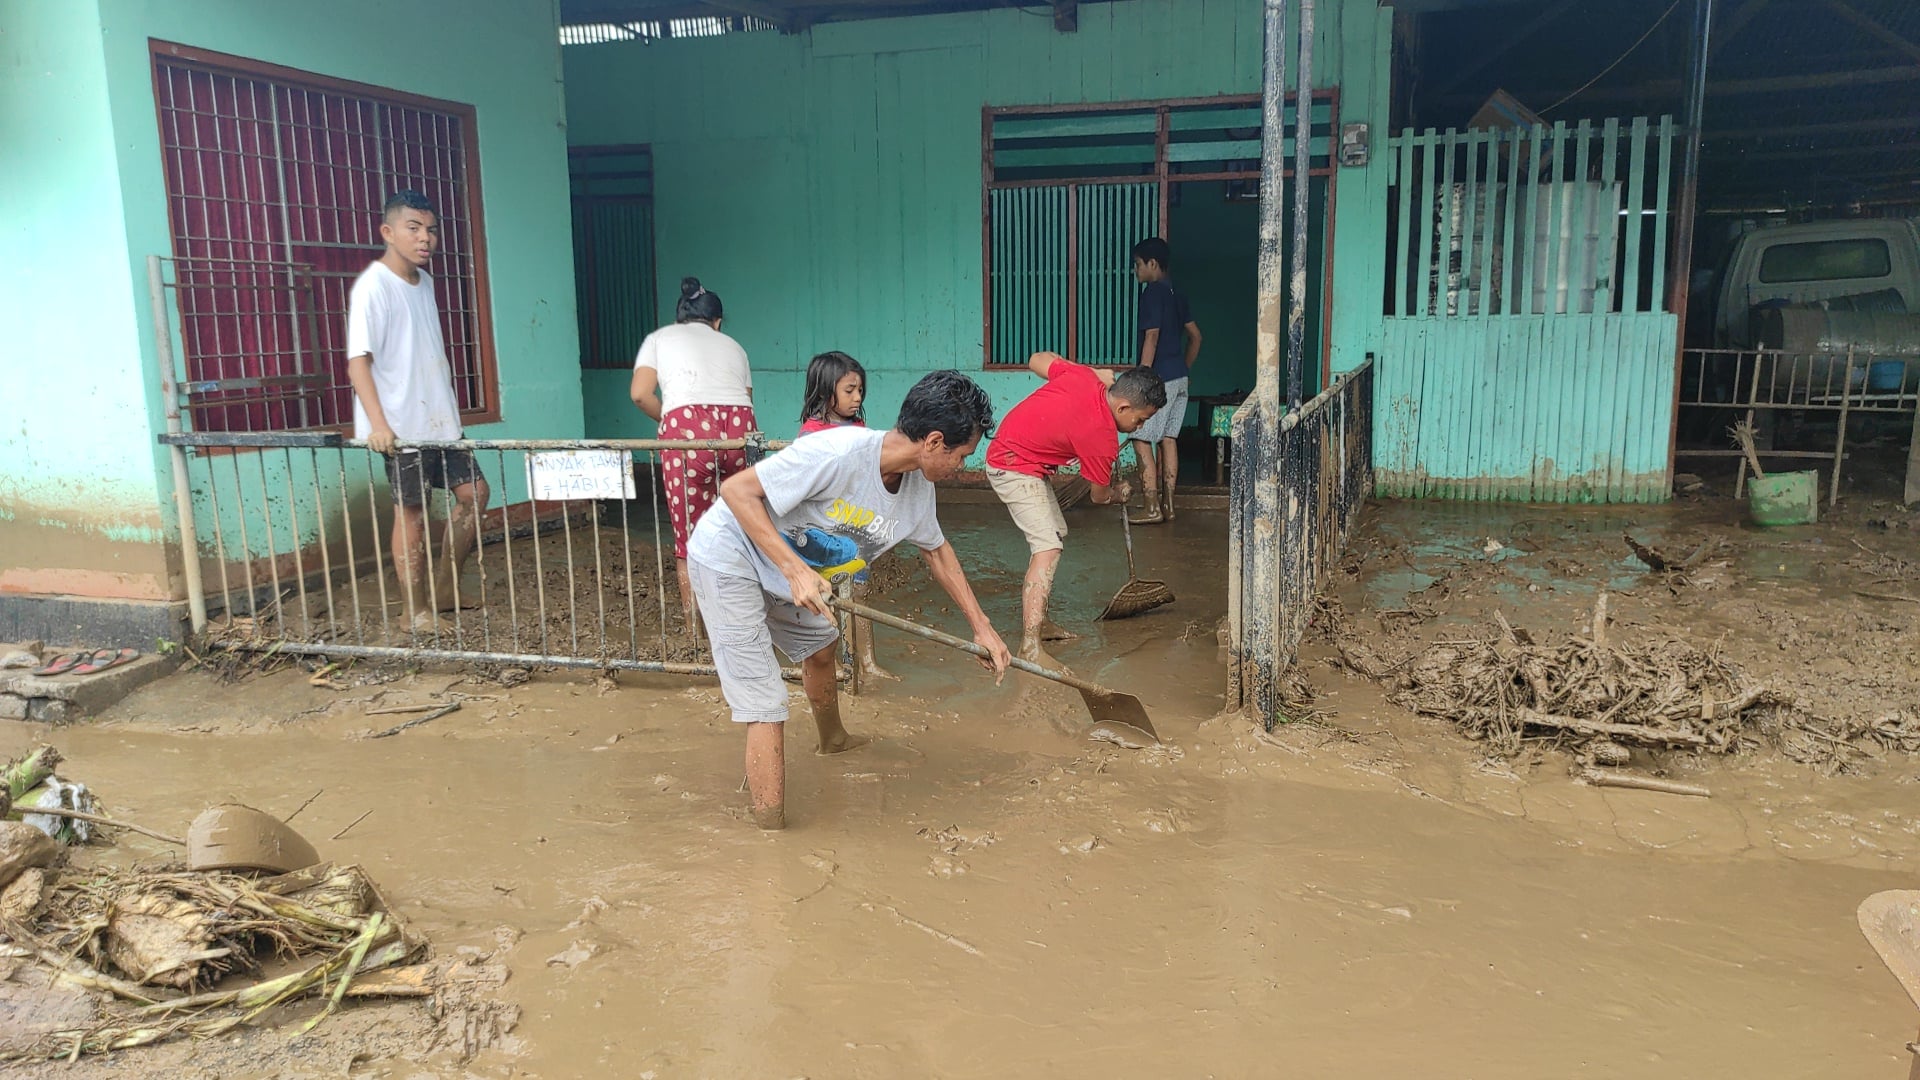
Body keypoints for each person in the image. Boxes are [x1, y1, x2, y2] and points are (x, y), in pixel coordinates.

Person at [688, 370, 1013, 830]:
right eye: (963, 455)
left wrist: (982, 627)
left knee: (822, 642)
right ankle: (770, 832)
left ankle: (833, 740)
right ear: (935, 441)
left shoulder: (918, 488)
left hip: (784, 571)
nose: (962, 464)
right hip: (731, 557)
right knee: (765, 702)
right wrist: (795, 569)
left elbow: (937, 551)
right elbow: (736, 490)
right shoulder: (837, 453)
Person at [346, 190, 490, 634]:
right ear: (388, 232)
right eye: (413, 228)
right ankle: (414, 610)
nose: (425, 238)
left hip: (440, 421)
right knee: (411, 512)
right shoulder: (374, 285)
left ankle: (445, 587)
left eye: (430, 229)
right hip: (402, 425)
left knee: (476, 495)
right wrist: (380, 426)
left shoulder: (424, 284)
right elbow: (358, 362)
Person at [985, 352, 1165, 666]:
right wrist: (1118, 494)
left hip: (1021, 458)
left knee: (1056, 533)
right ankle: (1029, 644)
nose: (1138, 426)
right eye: (1140, 419)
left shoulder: (1083, 377)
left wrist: (1092, 370)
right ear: (1122, 406)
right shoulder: (1102, 437)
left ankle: (1040, 623)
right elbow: (1098, 496)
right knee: (1048, 547)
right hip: (1012, 465)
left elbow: (1035, 360)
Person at [631, 277, 755, 633]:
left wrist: (671, 420)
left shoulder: (658, 339)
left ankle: (695, 630)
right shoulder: (734, 345)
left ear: (680, 319)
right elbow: (745, 397)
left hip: (687, 432)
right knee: (740, 526)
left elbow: (640, 394)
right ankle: (742, 620)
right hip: (738, 429)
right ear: (717, 322)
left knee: (689, 536)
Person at [796, 351, 896, 681]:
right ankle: (828, 663)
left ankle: (866, 661)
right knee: (825, 595)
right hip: (820, 530)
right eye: (850, 390)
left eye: (860, 391)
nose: (857, 398)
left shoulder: (859, 429)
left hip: (855, 528)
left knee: (860, 594)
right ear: (827, 392)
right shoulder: (811, 435)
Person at [1127, 236, 1203, 524]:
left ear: (1152, 264)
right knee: (1168, 439)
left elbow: (1152, 336)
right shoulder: (1177, 295)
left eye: (1138, 265)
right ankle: (1169, 506)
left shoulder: (1152, 293)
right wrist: (1182, 369)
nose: (1136, 270)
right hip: (1179, 380)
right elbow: (1196, 337)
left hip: (1158, 379)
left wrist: (1142, 380)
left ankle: (1150, 507)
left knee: (1141, 439)